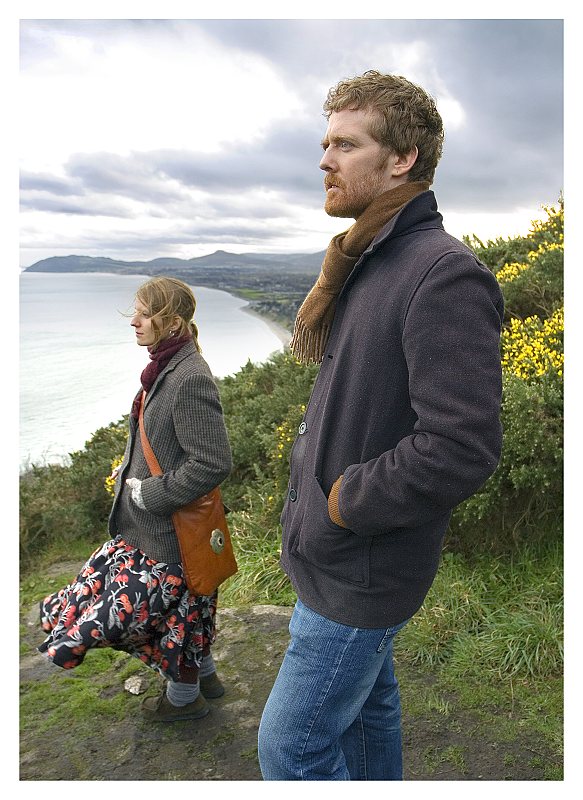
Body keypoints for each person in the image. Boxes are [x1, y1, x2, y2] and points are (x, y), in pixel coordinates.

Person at [257, 71, 504, 780]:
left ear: (402, 159)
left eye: (345, 144)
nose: (324, 160)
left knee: (290, 750)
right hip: (339, 558)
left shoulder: (441, 272)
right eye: (325, 143)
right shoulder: (368, 260)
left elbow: (459, 447)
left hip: (360, 568)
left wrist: (341, 503)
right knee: (368, 717)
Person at [39, 276, 232, 722]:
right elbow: (165, 443)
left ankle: (183, 702)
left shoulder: (189, 377)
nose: (134, 322)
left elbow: (212, 462)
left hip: (169, 535)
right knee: (188, 612)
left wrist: (150, 493)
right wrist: (129, 471)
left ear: (173, 321)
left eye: (144, 314)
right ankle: (204, 681)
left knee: (155, 618)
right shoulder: (167, 366)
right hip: (154, 532)